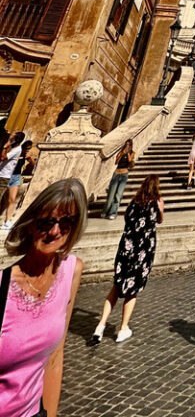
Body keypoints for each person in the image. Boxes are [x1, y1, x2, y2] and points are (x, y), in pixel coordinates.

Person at [0, 178, 86, 417]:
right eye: (46, 222)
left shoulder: (71, 271)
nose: (55, 231)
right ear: (30, 224)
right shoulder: (2, 286)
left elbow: (55, 356)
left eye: (66, 222)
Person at [91, 175, 164, 345]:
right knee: (133, 289)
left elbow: (127, 220)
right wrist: (159, 209)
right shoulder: (157, 202)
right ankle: (123, 328)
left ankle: (100, 326)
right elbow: (159, 220)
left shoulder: (133, 202)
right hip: (142, 251)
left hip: (126, 248)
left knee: (117, 286)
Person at [1, 140, 33, 230]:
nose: (27, 150)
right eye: (26, 148)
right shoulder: (15, 152)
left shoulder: (25, 156)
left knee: (12, 199)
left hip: (15, 177)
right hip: (6, 176)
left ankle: (7, 221)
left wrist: (30, 160)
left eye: (29, 149)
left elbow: (33, 165)